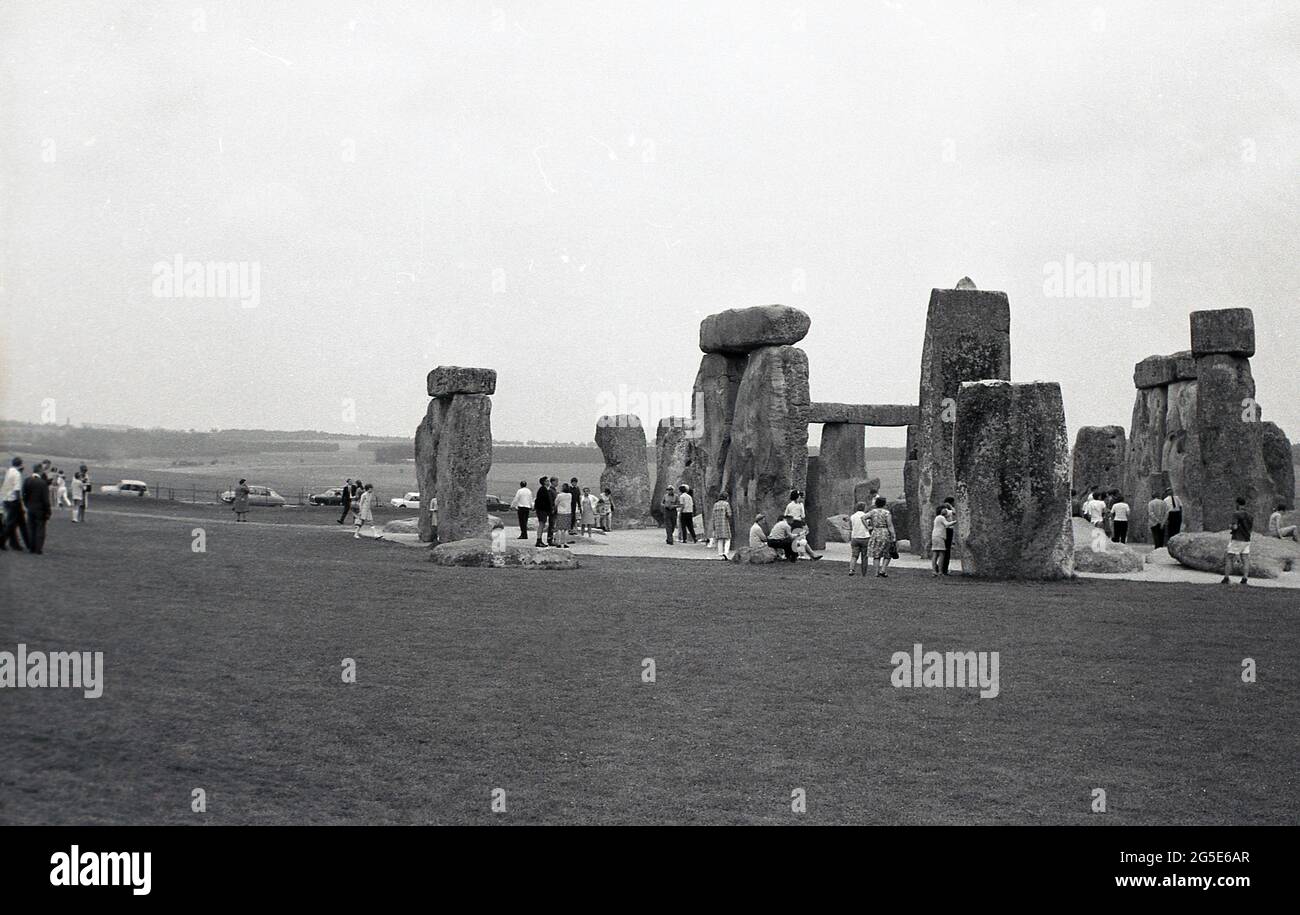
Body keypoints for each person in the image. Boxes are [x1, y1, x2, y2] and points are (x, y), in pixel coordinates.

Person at [21, 464, 52, 554]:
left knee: (31, 528)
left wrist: (27, 504)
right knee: (40, 529)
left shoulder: (27, 480)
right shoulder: (42, 483)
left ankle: (31, 547)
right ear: (40, 471)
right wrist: (48, 511)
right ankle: (38, 549)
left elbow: (24, 495)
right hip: (40, 509)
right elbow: (46, 500)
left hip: (30, 508)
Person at [1222, 497, 1253, 585]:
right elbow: (1250, 529)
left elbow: (1235, 527)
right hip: (1247, 539)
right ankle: (1245, 578)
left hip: (1237, 538)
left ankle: (1226, 577)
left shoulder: (1236, 514)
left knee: (1229, 557)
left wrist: (1230, 526)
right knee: (1245, 559)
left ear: (1237, 504)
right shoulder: (1250, 515)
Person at [865, 495, 896, 578]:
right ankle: (883, 570)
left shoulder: (872, 512)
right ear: (884, 504)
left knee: (876, 554)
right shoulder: (887, 513)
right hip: (885, 532)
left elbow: (863, 517)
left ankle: (876, 573)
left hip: (875, 532)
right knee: (887, 553)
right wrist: (893, 535)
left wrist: (868, 527)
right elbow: (890, 525)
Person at [1, 457, 26, 551]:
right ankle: (2, 540)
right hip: (13, 500)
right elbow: (17, 490)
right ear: (20, 464)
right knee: (11, 523)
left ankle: (14, 543)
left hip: (6, 498)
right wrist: (20, 501)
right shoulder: (17, 474)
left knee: (11, 522)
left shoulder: (9, 471)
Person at [848, 501, 870, 576]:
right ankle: (864, 573)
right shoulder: (866, 516)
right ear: (864, 508)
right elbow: (868, 525)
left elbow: (851, 526)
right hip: (864, 537)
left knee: (854, 555)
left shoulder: (852, 516)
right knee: (864, 556)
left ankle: (851, 569)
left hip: (855, 537)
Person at [930, 505, 954, 577]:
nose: (946, 510)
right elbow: (947, 524)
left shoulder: (937, 518)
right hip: (940, 536)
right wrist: (955, 521)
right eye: (944, 509)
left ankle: (934, 571)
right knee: (941, 554)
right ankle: (940, 571)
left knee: (935, 554)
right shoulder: (941, 517)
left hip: (934, 536)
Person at [711, 492, 732, 559]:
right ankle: (726, 553)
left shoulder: (715, 504)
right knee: (727, 539)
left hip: (717, 524)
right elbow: (729, 514)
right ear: (726, 497)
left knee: (719, 540)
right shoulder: (726, 504)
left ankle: (720, 554)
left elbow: (713, 515)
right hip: (724, 523)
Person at [533, 476, 553, 547]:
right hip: (542, 510)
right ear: (544, 482)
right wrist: (549, 510)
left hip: (542, 510)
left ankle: (539, 540)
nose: (549, 482)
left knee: (542, 524)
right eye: (547, 481)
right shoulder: (543, 490)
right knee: (541, 525)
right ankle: (539, 540)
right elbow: (543, 502)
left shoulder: (544, 489)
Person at [554, 483, 573, 548]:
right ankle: (565, 543)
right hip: (568, 512)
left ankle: (558, 542)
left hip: (560, 512)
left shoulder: (559, 495)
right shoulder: (570, 495)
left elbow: (556, 503)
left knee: (559, 528)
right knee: (566, 529)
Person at [941, 496, 957, 575]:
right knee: (946, 551)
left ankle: (942, 569)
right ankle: (944, 569)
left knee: (945, 550)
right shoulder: (946, 510)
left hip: (945, 530)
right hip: (948, 530)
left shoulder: (943, 510)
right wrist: (950, 506)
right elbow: (954, 512)